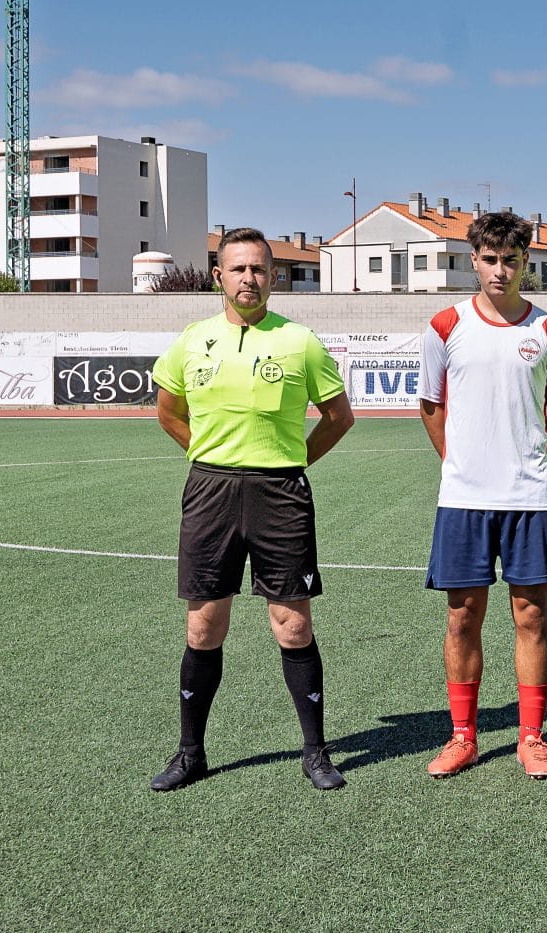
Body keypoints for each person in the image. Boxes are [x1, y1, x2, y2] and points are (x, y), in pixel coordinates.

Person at [148, 227, 355, 791]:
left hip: (280, 494)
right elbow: (168, 411)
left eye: (259, 270)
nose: (249, 279)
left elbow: (339, 418)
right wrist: (206, 453)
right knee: (204, 625)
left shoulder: (300, 342)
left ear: (273, 276)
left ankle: (315, 752)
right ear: (219, 276)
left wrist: (293, 461)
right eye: (238, 269)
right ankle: (191, 753)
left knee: (291, 625)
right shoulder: (193, 340)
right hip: (210, 492)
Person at [417, 211, 547, 779]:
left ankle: (531, 737)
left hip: (528, 497)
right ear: (473, 260)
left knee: (531, 615)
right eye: (489, 259)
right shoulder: (444, 325)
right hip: (463, 497)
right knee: (462, 616)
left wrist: (525, 458)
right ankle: (463, 736)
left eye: (510, 260)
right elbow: (432, 408)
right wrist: (461, 462)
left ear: (525, 262)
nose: (499, 270)